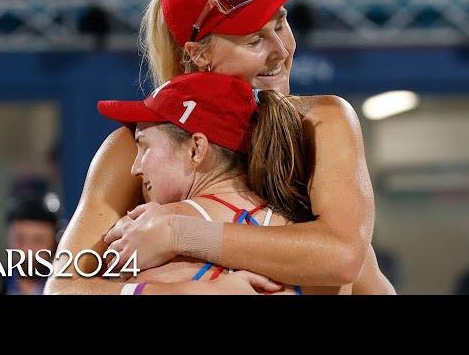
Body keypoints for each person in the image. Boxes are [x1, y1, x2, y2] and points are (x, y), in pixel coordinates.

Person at [45, 0, 394, 295]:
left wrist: (179, 233)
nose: (280, 50)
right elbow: (63, 287)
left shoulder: (320, 121)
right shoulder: (137, 143)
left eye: (280, 23)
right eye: (254, 39)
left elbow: (343, 257)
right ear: (199, 54)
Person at [98, 71, 354, 294]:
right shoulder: (323, 261)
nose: (134, 168)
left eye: (144, 147)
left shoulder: (144, 235)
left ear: (196, 149)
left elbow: (64, 285)